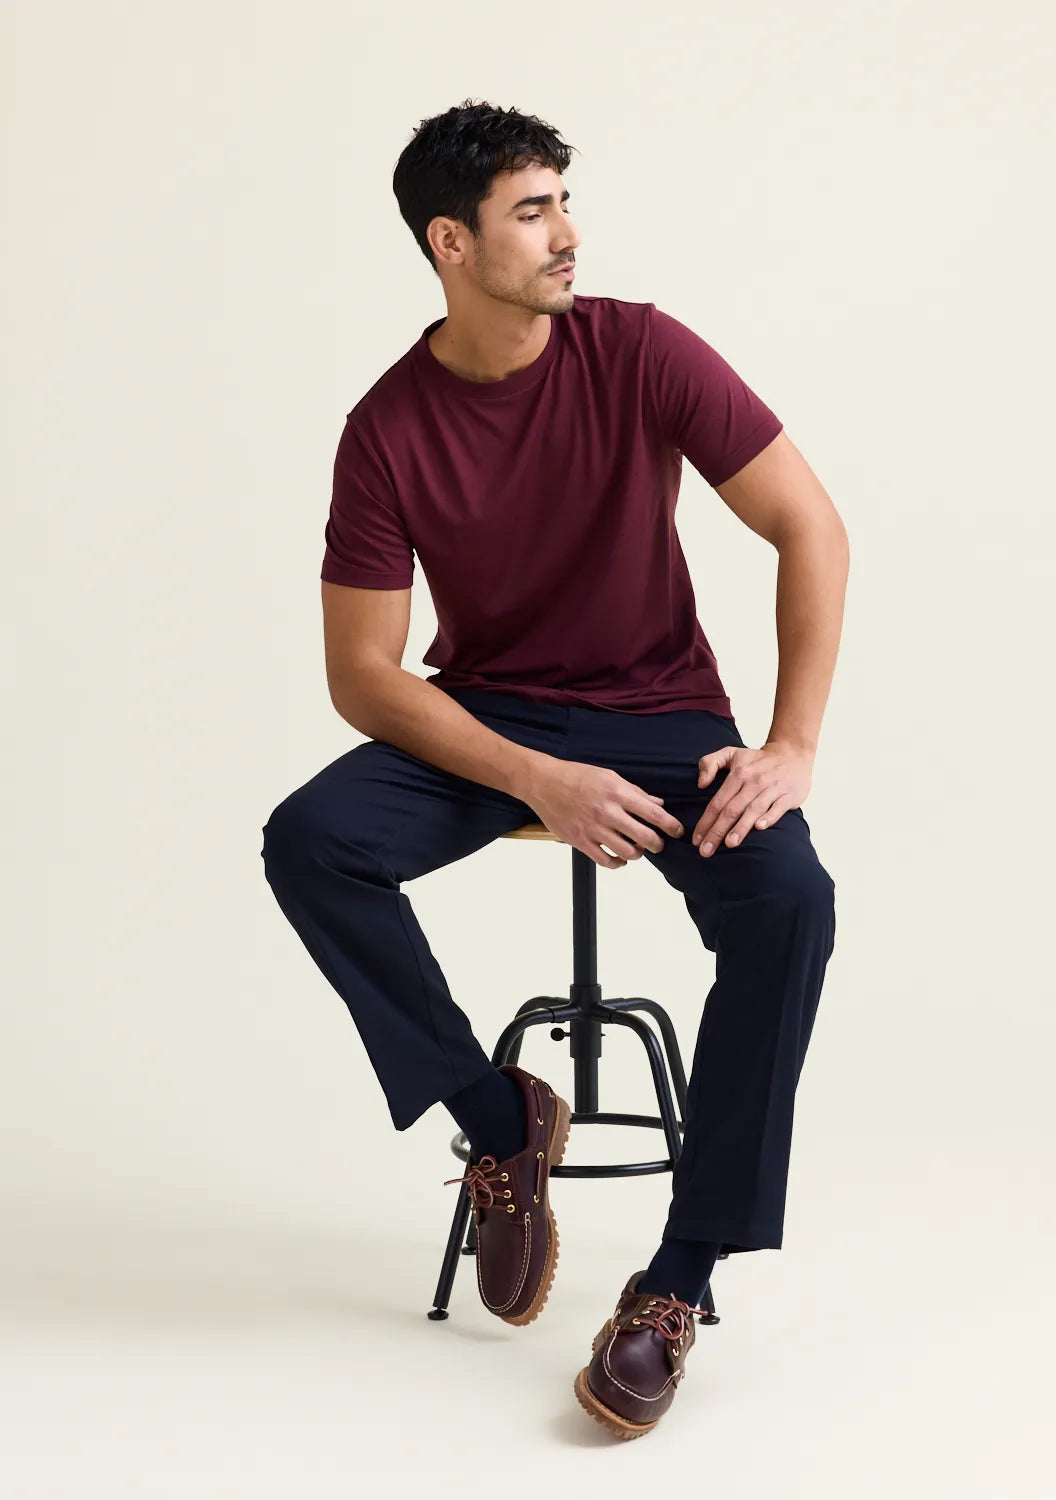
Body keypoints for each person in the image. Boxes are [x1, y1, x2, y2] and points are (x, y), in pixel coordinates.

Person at [260, 97, 848, 1439]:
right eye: (534, 212)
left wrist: (791, 744)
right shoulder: (389, 428)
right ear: (450, 242)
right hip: (495, 721)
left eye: (564, 203)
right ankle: (497, 1123)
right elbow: (364, 674)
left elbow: (810, 526)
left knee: (792, 907)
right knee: (313, 840)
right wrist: (534, 778)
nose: (568, 234)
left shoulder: (640, 351)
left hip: (663, 714)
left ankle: (678, 1283)